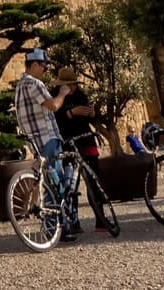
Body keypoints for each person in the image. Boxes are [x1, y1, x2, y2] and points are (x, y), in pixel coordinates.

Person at [14, 48, 80, 241]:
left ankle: (62, 226)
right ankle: (56, 228)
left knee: (50, 181)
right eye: (44, 66)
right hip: (47, 138)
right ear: (34, 65)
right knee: (53, 184)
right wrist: (63, 93)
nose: (45, 70)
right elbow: (53, 105)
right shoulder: (34, 83)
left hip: (35, 140)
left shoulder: (20, 86)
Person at [54, 66, 111, 233]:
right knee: (71, 183)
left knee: (94, 180)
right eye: (69, 84)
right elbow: (56, 119)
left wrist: (92, 114)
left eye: (73, 84)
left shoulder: (81, 96)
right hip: (68, 143)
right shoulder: (56, 97)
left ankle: (101, 219)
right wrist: (71, 113)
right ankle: (73, 220)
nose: (72, 87)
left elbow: (93, 119)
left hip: (86, 139)